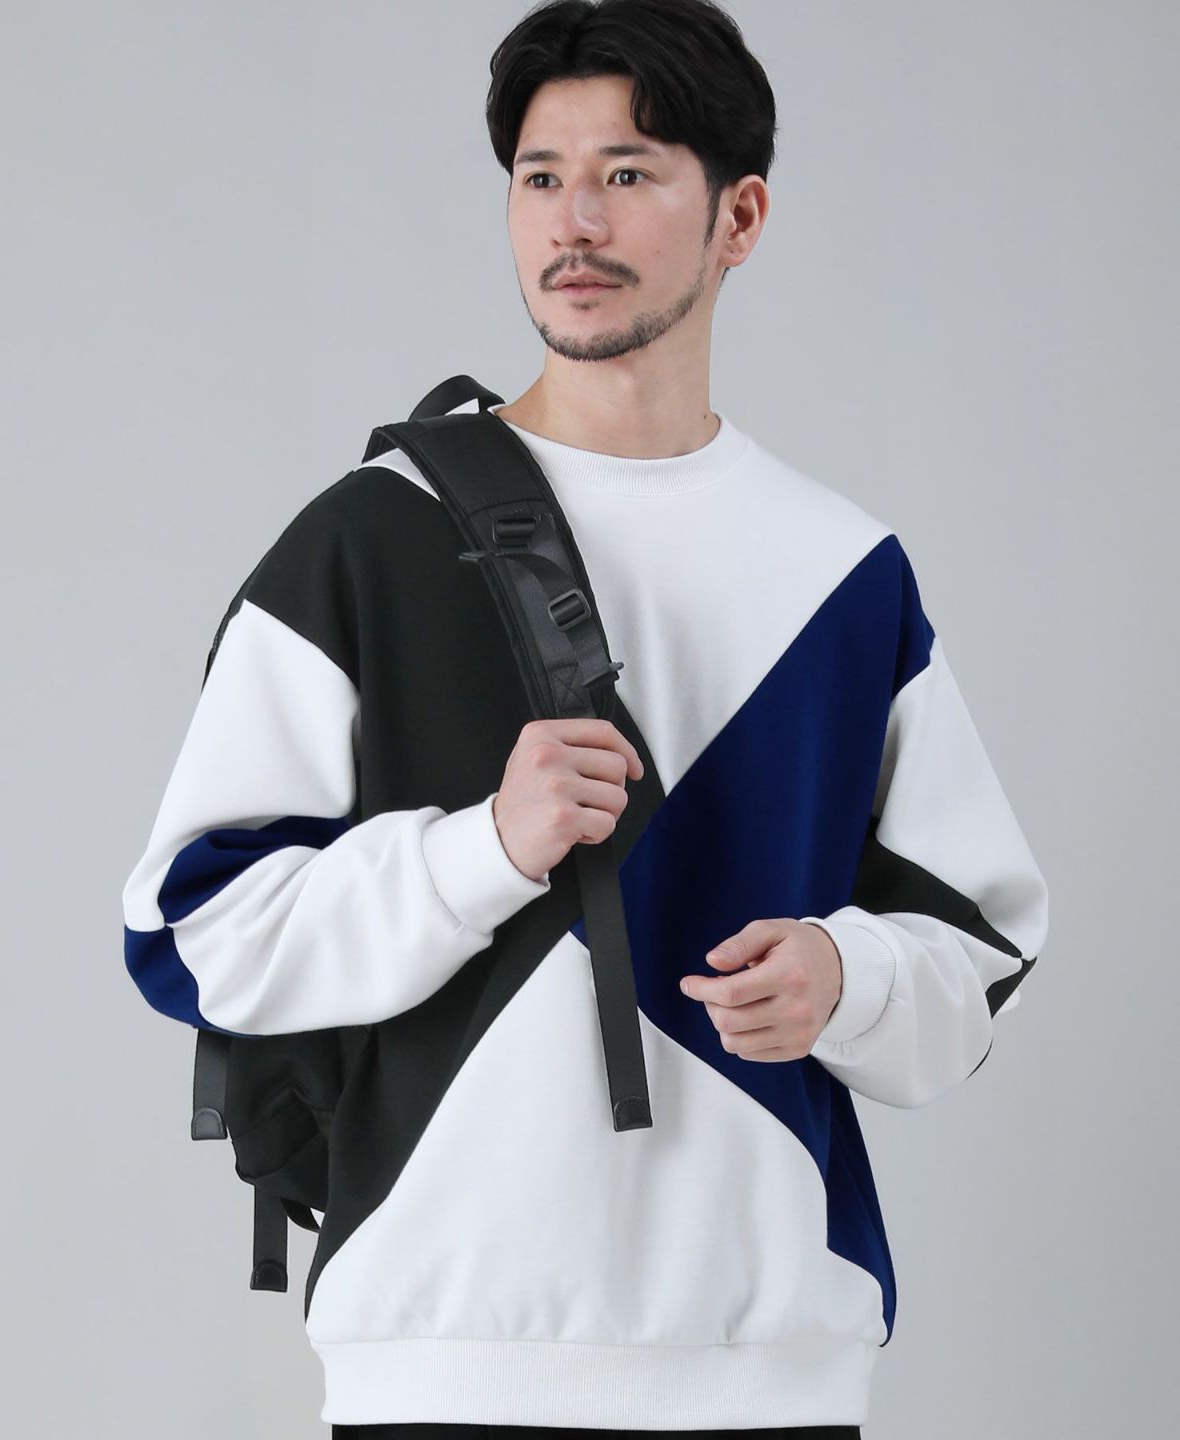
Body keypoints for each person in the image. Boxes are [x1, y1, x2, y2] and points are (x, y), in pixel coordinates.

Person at [121, 1, 1049, 1436]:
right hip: (443, 1354)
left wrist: (845, 978)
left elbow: (980, 952)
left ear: (740, 217)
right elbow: (190, 932)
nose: (575, 222)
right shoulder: (372, 539)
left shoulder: (843, 571)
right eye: (541, 177)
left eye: (628, 173)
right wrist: (480, 851)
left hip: (773, 1363)